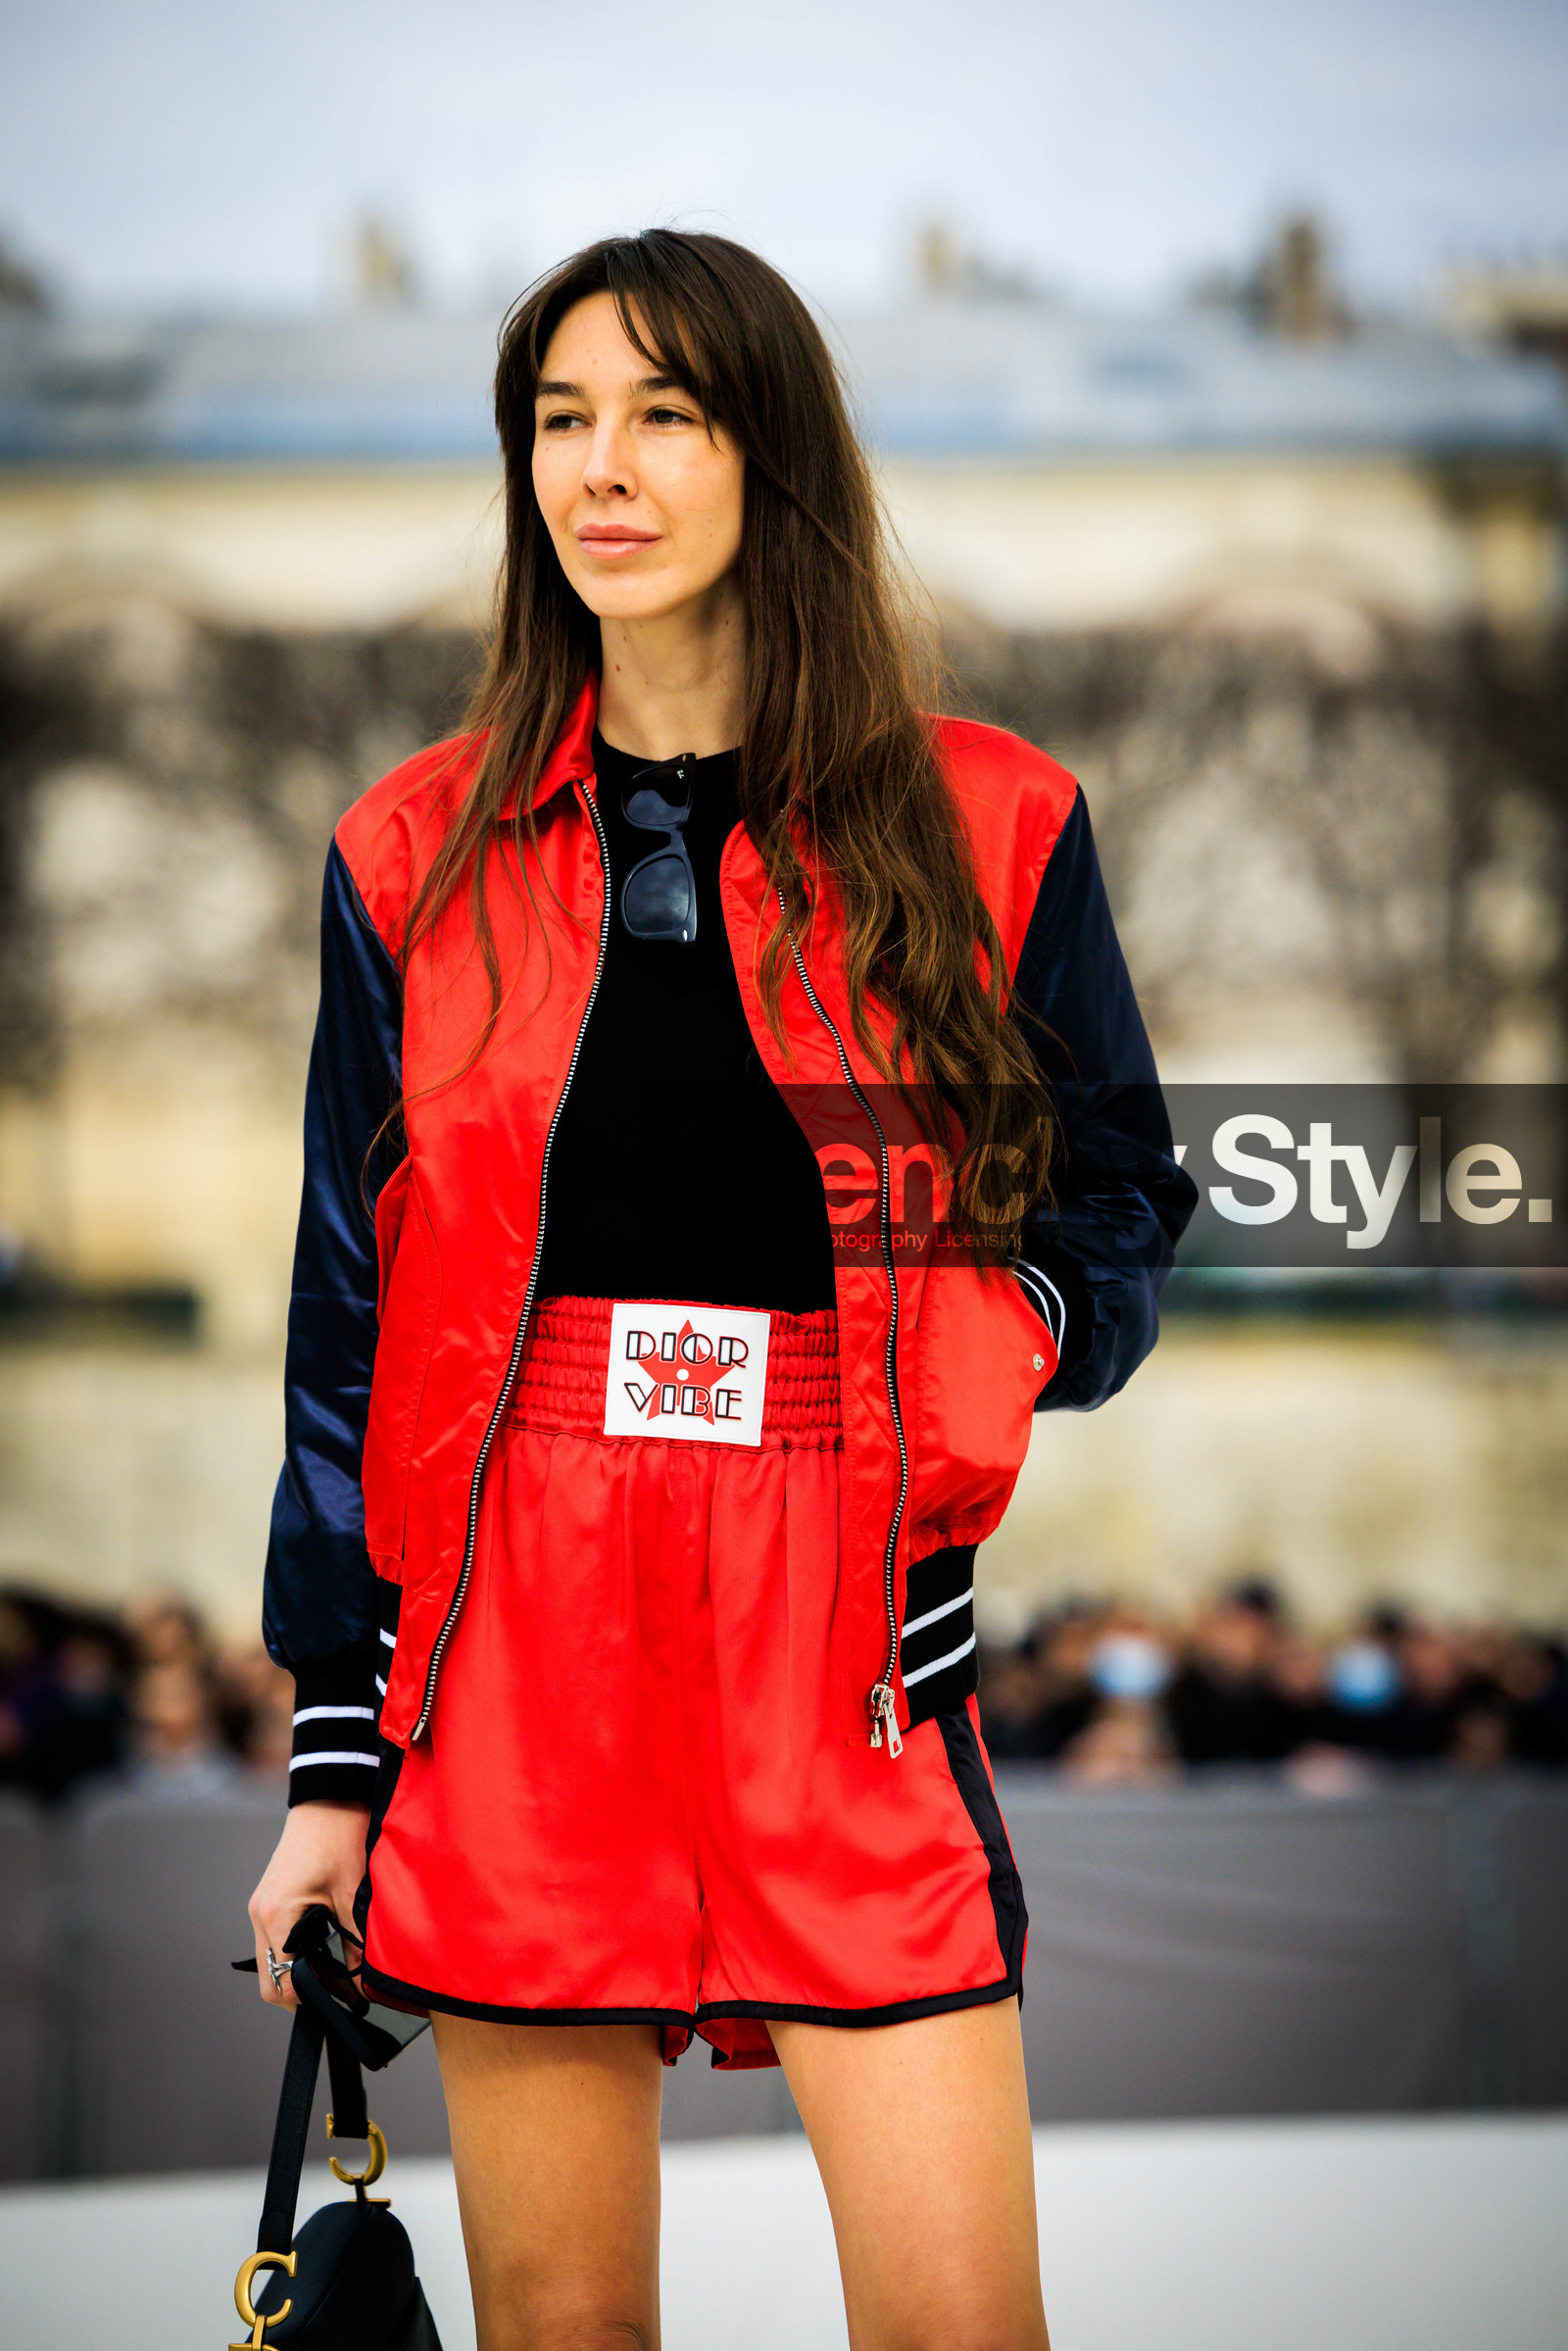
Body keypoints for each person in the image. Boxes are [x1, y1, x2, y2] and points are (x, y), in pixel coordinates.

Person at [249, 230, 1193, 2351]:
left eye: (665, 413)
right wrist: (333, 1769)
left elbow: (1120, 1195)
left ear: (771, 455)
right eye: (561, 421)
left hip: (839, 1635)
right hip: (515, 1646)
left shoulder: (986, 824)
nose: (604, 468)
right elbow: (350, 1318)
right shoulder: (408, 854)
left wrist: (1004, 1342)